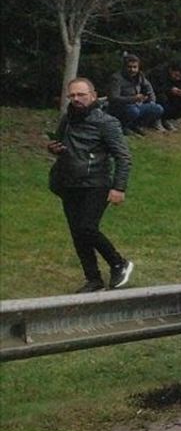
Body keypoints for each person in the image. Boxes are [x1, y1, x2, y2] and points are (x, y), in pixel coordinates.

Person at [47, 78, 135, 293]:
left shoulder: (107, 122)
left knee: (87, 227)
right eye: (72, 95)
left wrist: (119, 187)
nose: (76, 99)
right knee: (78, 233)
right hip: (68, 182)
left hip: (96, 183)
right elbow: (61, 144)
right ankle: (93, 278)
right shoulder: (67, 119)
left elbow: (123, 157)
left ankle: (119, 263)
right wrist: (54, 148)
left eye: (81, 95)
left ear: (93, 96)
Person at [108, 53, 165, 134]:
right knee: (133, 111)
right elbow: (113, 98)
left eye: (135, 67)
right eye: (129, 67)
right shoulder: (116, 78)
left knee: (158, 108)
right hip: (121, 108)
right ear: (124, 67)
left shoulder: (140, 76)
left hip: (138, 105)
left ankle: (137, 125)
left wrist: (151, 100)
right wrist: (133, 98)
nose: (132, 70)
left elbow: (149, 88)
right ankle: (124, 126)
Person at [154, 60, 181, 128]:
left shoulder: (180, 78)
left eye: (180, 77)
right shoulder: (158, 73)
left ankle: (168, 119)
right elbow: (154, 88)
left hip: (171, 96)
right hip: (157, 95)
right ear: (170, 70)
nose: (177, 78)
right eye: (176, 75)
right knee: (162, 98)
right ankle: (156, 119)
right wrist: (169, 90)